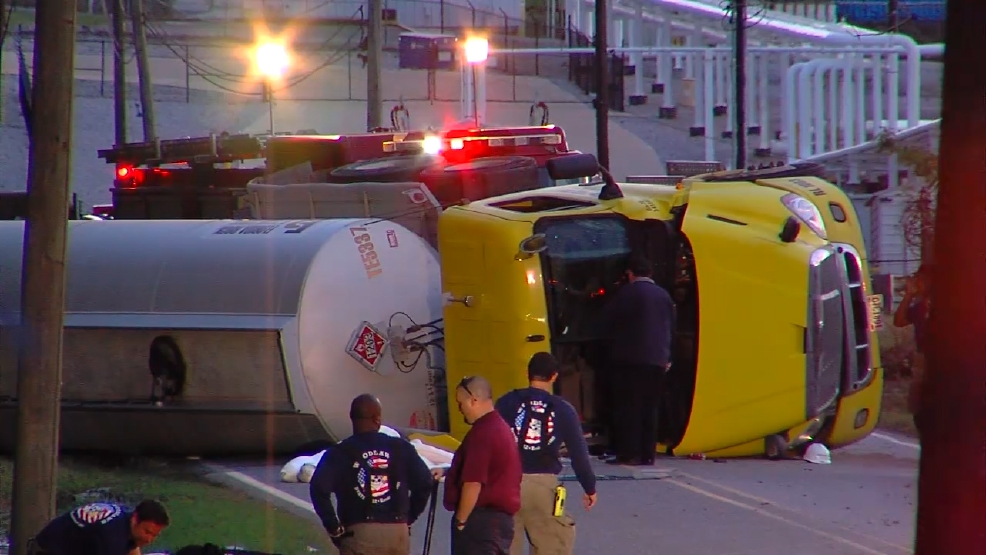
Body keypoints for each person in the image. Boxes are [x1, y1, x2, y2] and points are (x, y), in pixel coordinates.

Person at [495, 352, 598, 555]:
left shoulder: (506, 402)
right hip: (544, 486)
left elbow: (491, 442)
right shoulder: (563, 409)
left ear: (528, 373)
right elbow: (579, 454)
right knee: (552, 543)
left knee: (504, 546)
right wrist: (589, 488)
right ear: (554, 376)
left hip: (507, 483)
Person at [309, 394, 434, 555]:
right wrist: (409, 517)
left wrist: (333, 526)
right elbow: (425, 483)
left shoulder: (340, 452)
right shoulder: (401, 447)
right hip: (397, 532)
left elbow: (319, 489)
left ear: (352, 418)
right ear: (377, 419)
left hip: (358, 531)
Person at [598, 254, 675, 466]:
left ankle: (628, 453)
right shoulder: (664, 296)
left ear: (630, 274)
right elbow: (671, 327)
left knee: (629, 407)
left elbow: (607, 321)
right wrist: (667, 356)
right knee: (650, 408)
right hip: (658, 360)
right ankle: (647, 454)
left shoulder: (627, 293)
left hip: (630, 360)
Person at [432, 376, 522, 555]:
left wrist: (461, 520)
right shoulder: (501, 428)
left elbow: (473, 482)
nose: (460, 409)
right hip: (500, 523)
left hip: (481, 523)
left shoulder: (482, 433)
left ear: (473, 400)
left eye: (460, 403)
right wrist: (447, 471)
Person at [30, 499, 170, 555]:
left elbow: (133, 548)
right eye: (147, 532)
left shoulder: (126, 518)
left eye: (154, 535)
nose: (149, 539)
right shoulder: (112, 535)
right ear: (135, 519)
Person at [893, 263, 934, 430]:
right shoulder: (920, 306)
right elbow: (900, 321)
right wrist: (908, 295)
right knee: (919, 404)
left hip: (942, 360)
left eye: (920, 278)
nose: (916, 281)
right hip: (922, 359)